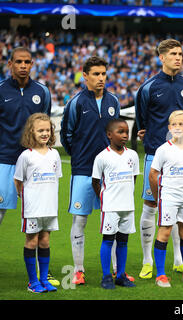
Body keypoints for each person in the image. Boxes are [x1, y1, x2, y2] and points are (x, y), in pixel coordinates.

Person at [135, 39, 183, 280]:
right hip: (155, 152)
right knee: (152, 205)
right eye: (173, 54)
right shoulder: (148, 87)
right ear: (161, 57)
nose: (178, 57)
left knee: (179, 210)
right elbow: (142, 120)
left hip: (180, 156)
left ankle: (178, 261)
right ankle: (147, 260)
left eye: (181, 54)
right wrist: (148, 134)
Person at [60, 56, 121, 285]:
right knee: (80, 220)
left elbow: (116, 133)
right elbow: (66, 135)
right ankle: (78, 270)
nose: (101, 78)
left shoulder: (113, 101)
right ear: (84, 76)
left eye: (104, 74)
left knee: (113, 220)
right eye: (96, 74)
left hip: (109, 172)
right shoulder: (75, 103)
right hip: (83, 170)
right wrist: (79, 156)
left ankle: (116, 269)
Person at [0, 47, 58, 286]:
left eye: (27, 62)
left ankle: (41, 274)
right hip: (4, 160)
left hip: (36, 162)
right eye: (18, 62)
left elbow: (43, 124)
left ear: (32, 64)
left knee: (40, 220)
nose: (23, 65)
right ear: (10, 63)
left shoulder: (42, 92)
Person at [149, 111, 183, 287]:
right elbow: (153, 174)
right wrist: (159, 197)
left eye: (182, 124)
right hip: (169, 196)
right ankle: (161, 275)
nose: (178, 127)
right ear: (169, 128)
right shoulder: (163, 150)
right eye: (174, 124)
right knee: (164, 232)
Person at [14, 113, 61, 293]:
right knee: (32, 241)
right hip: (32, 208)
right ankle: (32, 282)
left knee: (45, 242)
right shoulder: (26, 156)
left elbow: (56, 179)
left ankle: (44, 279)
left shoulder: (55, 154)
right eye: (40, 130)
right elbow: (18, 180)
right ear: (31, 132)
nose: (44, 133)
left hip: (49, 207)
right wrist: (25, 198)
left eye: (47, 130)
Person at [92, 119, 139, 289]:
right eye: (120, 132)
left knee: (124, 241)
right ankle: (106, 276)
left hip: (128, 206)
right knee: (108, 240)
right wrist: (104, 199)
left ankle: (120, 275)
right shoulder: (102, 157)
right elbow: (95, 182)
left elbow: (134, 177)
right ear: (109, 135)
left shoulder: (132, 155)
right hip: (110, 207)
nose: (125, 135)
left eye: (127, 132)